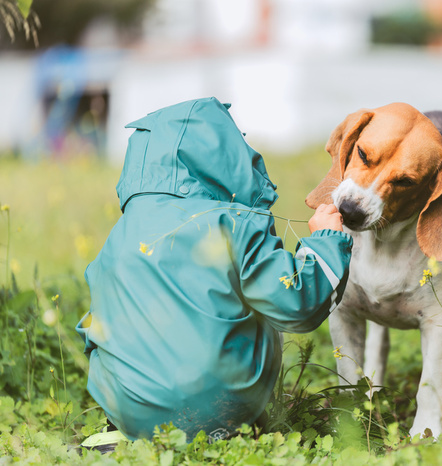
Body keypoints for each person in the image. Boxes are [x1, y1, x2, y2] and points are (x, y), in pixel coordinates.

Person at [76, 97, 351, 450]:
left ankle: (129, 431)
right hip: (221, 409)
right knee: (258, 299)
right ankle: (230, 428)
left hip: (130, 407)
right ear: (227, 155)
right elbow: (297, 305)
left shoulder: (121, 234)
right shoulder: (234, 223)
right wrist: (326, 241)